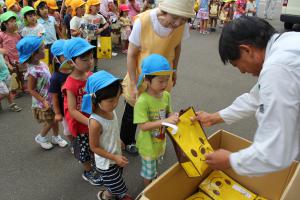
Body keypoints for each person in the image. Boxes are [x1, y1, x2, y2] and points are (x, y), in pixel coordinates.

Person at [194, 16, 300, 176]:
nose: (242, 71)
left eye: (237, 65)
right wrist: (213, 118)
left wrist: (231, 160)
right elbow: (255, 98)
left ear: (247, 50)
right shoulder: (287, 41)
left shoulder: (278, 68)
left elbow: (276, 150)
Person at [120, 0, 194, 155]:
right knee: (133, 109)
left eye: (183, 19)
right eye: (175, 18)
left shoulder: (181, 24)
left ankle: (155, 138)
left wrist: (175, 69)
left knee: (157, 107)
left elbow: (176, 46)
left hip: (163, 76)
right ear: (164, 10)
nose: (178, 23)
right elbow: (132, 55)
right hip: (142, 75)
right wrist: (134, 83)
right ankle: (127, 140)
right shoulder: (143, 21)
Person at [82, 71, 133, 200]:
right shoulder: (95, 123)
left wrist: (119, 141)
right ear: (96, 99)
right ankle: (119, 195)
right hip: (106, 163)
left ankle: (106, 195)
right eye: (111, 100)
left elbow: (112, 130)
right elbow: (94, 147)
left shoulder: (110, 110)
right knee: (119, 186)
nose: (115, 103)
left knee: (114, 183)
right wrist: (114, 157)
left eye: (117, 98)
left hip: (116, 155)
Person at [61, 37, 102, 185]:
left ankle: (96, 163)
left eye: (91, 58)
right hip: (80, 124)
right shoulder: (70, 84)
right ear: (72, 62)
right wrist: (90, 122)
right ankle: (88, 171)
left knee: (95, 145)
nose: (89, 62)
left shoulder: (90, 76)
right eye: (84, 59)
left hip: (92, 119)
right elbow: (72, 110)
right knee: (83, 150)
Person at [134, 54, 179, 186]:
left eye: (167, 79)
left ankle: (153, 177)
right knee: (148, 173)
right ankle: (148, 189)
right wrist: (165, 121)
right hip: (148, 145)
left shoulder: (166, 95)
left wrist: (174, 116)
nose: (165, 84)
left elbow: (168, 112)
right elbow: (143, 126)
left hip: (159, 140)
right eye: (160, 81)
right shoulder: (142, 101)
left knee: (154, 167)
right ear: (147, 80)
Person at [16, 36, 68, 149]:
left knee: (55, 119)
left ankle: (56, 136)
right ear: (34, 54)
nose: (45, 49)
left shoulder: (42, 64)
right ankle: (41, 137)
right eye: (42, 48)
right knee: (50, 121)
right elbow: (31, 89)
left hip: (50, 98)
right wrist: (43, 100)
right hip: (43, 102)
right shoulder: (32, 71)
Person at [49, 39, 72, 150]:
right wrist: (58, 113)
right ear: (56, 59)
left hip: (76, 106)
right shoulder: (55, 78)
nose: (69, 58)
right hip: (64, 110)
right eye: (64, 55)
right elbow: (54, 98)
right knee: (68, 130)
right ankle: (74, 144)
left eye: (70, 54)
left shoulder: (74, 70)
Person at [0, 11, 24, 95]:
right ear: (5, 24)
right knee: (13, 74)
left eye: (14, 21)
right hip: (8, 59)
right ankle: (14, 90)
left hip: (18, 57)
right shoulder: (2, 35)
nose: (14, 23)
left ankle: (23, 86)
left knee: (20, 73)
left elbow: (20, 45)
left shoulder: (17, 34)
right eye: (11, 21)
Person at [84, 0, 109, 71]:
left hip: (97, 38)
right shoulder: (86, 16)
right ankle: (87, 68)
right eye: (96, 6)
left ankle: (95, 67)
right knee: (88, 54)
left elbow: (107, 23)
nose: (98, 7)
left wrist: (101, 29)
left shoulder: (100, 16)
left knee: (96, 54)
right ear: (90, 7)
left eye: (99, 5)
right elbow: (82, 27)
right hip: (88, 39)